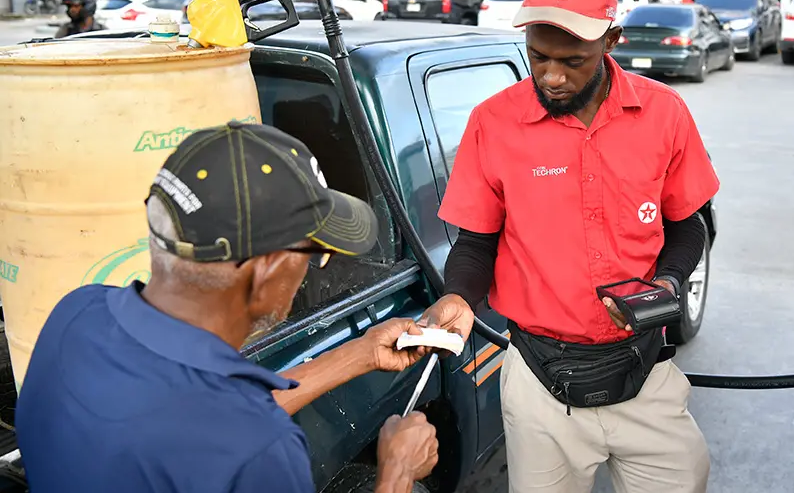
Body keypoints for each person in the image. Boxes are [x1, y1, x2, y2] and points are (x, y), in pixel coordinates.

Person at [16, 122, 475, 493]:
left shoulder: (76, 314)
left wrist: (360, 353)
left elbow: (207, 422)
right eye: (315, 253)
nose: (314, 267)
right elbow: (226, 433)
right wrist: (396, 474)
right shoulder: (258, 453)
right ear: (266, 270)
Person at [436, 0, 720, 493]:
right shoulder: (492, 123)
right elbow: (476, 242)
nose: (552, 76)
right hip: (539, 385)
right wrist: (458, 298)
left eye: (573, 60)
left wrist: (667, 284)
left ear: (611, 40)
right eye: (538, 56)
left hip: (646, 373)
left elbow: (689, 225)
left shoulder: (665, 114)